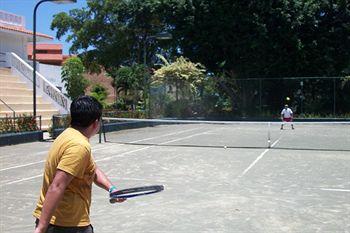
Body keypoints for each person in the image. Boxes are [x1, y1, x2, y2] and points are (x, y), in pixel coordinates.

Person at [33, 95, 125, 233]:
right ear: (95, 123)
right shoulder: (79, 146)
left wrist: (111, 189)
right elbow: (57, 186)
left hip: (64, 222)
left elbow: (92, 169)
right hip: (66, 225)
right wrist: (40, 229)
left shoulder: (69, 135)